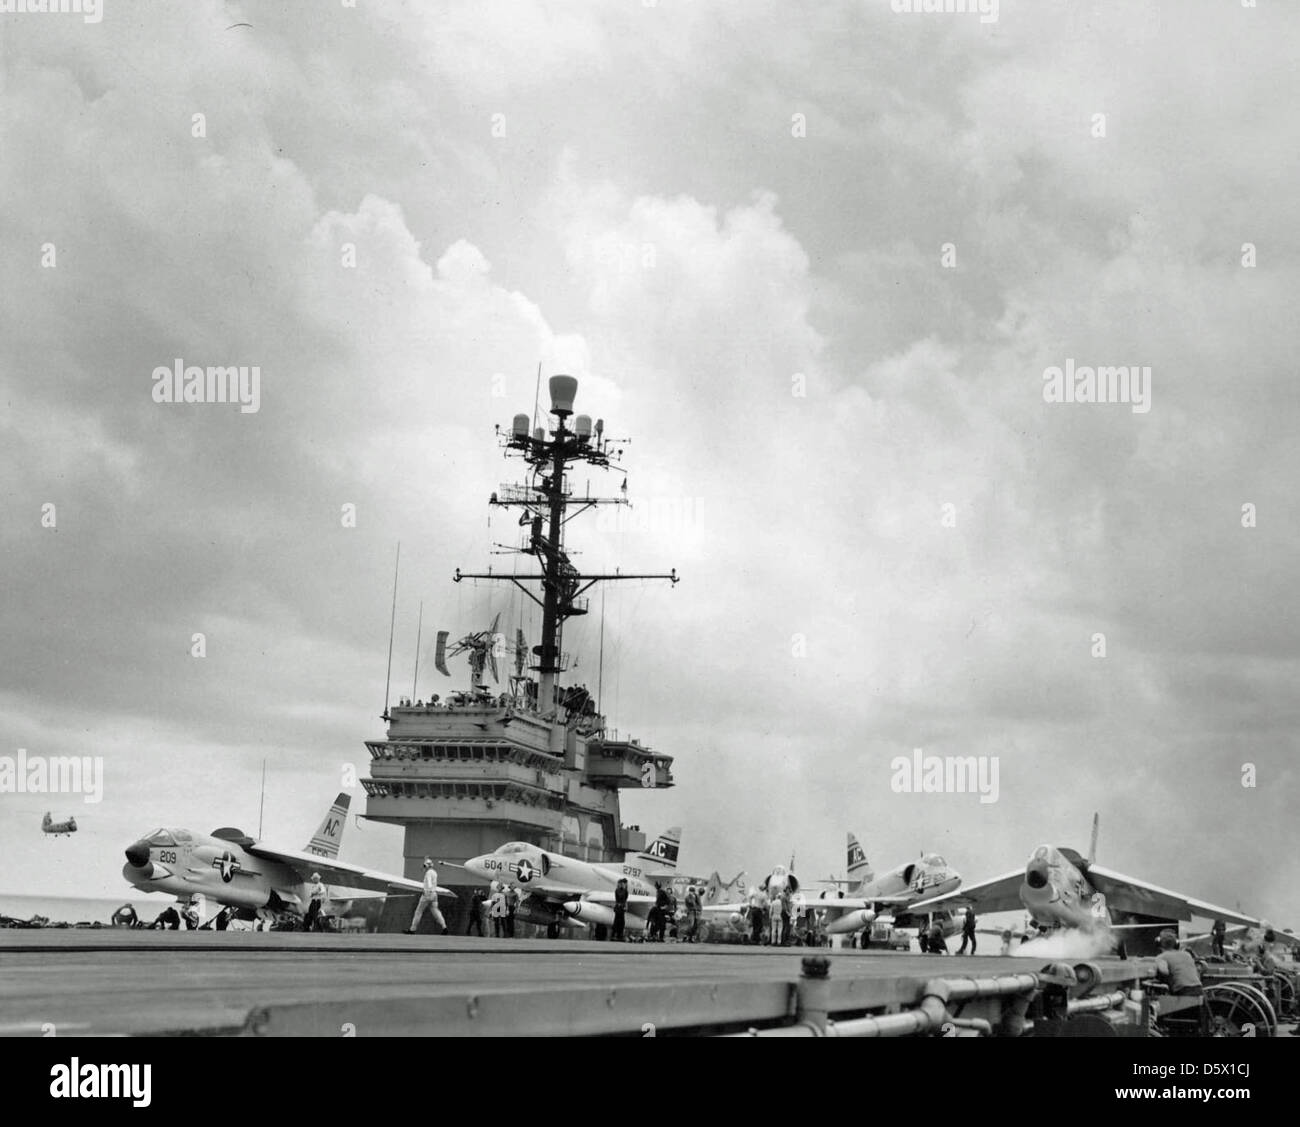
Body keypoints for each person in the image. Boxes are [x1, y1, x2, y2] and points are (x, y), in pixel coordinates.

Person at [1154, 930, 1202, 996]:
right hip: (1198, 989)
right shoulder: (1187, 954)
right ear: (1176, 943)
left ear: (1158, 943)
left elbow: (1164, 971)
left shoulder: (1161, 957)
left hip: (1182, 991)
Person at [408, 858, 446, 934]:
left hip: (427, 894)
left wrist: (428, 891)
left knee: (418, 911)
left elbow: (429, 883)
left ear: (426, 866)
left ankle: (412, 929)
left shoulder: (428, 873)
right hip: (434, 894)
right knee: (436, 911)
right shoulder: (435, 872)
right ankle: (444, 927)